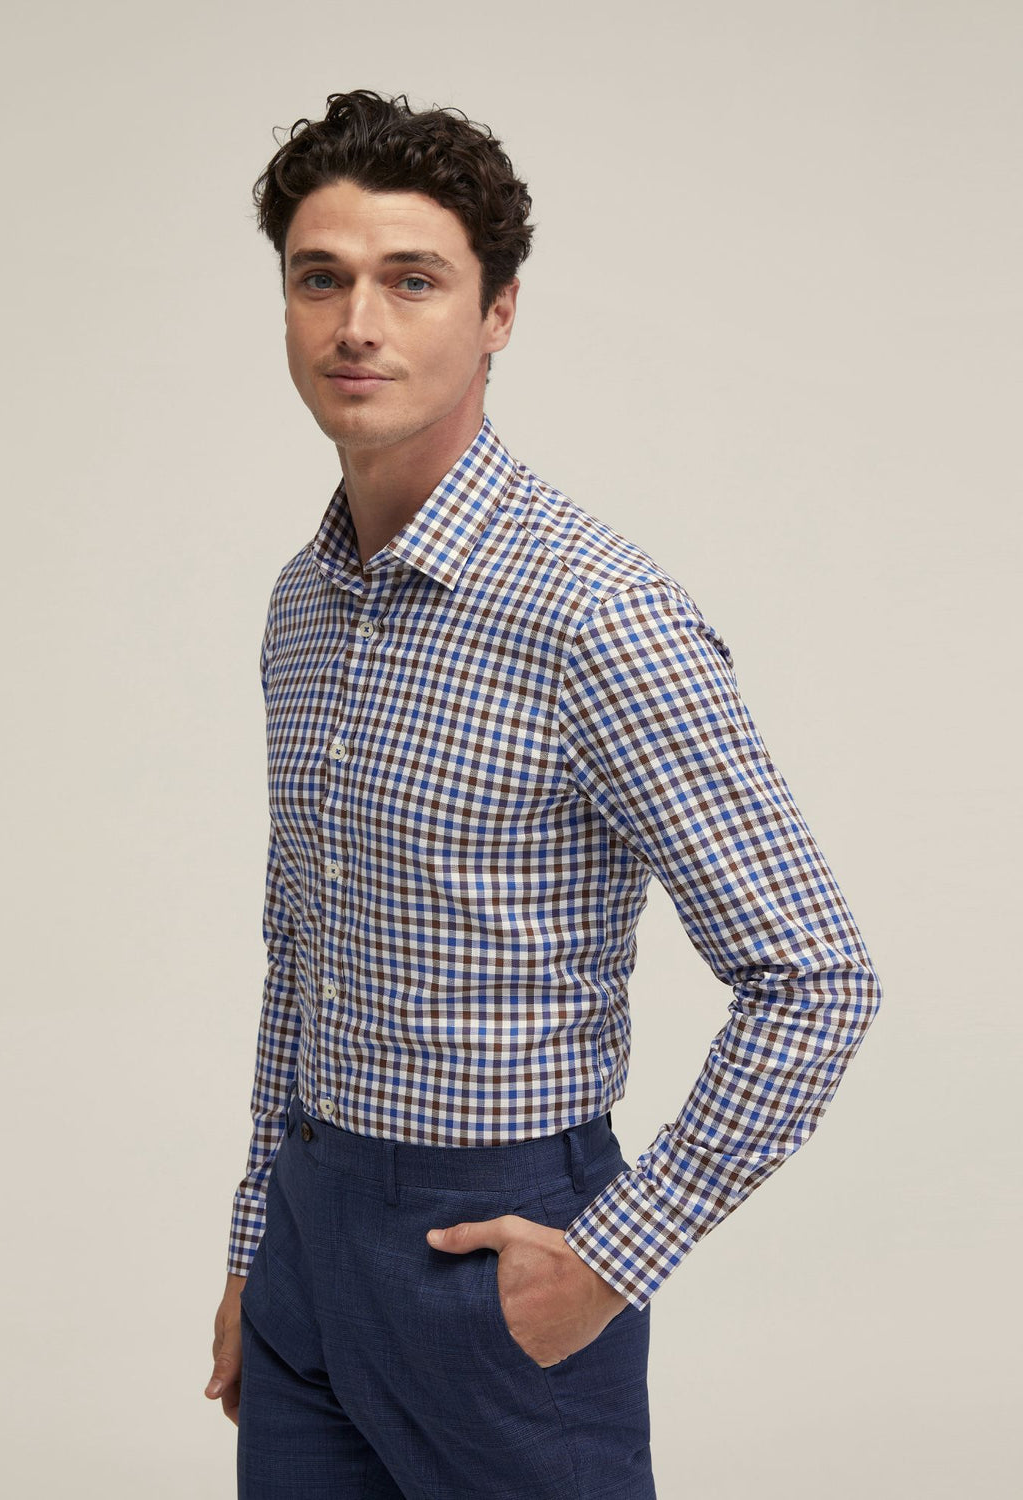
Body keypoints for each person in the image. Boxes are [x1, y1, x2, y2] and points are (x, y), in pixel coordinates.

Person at [203, 88, 882, 1498]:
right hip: (308, 1252)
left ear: (498, 312)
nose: (357, 324)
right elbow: (299, 950)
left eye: (413, 280)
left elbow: (815, 977)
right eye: (320, 279)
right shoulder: (302, 605)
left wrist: (613, 1259)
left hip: (494, 1256)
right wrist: (259, 1244)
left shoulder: (594, 615)